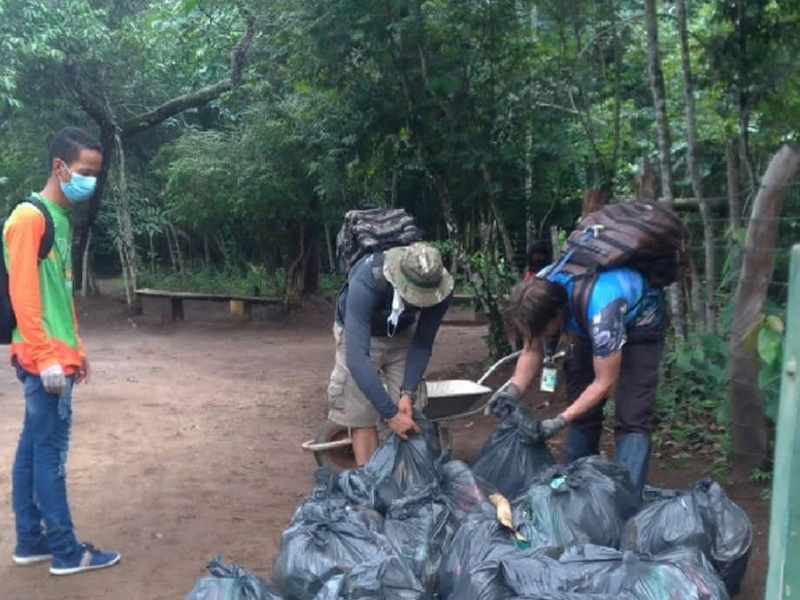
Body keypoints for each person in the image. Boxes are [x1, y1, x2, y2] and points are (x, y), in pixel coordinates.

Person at [3, 127, 121, 575]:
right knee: (49, 456)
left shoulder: (60, 218)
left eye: (95, 173)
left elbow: (61, 292)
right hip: (43, 359)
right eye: (84, 171)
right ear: (59, 167)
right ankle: (66, 551)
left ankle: (31, 541)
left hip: (57, 352)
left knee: (32, 450)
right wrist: (48, 357)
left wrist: (77, 347)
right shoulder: (28, 218)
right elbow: (24, 296)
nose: (90, 180)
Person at [499, 264, 667, 496]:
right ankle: (573, 489)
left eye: (544, 331)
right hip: (587, 322)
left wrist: (560, 420)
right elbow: (532, 349)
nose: (542, 336)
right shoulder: (537, 291)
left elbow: (605, 383)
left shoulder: (603, 314)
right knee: (581, 405)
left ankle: (624, 500)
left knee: (632, 414)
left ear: (558, 315)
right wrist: (513, 390)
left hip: (641, 320)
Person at [327, 242, 454, 465]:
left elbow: (422, 344)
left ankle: (407, 480)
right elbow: (357, 358)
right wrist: (390, 415)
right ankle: (371, 479)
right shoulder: (367, 278)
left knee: (412, 411)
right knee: (362, 413)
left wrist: (407, 392)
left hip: (402, 331)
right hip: (361, 334)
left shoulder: (441, 290)